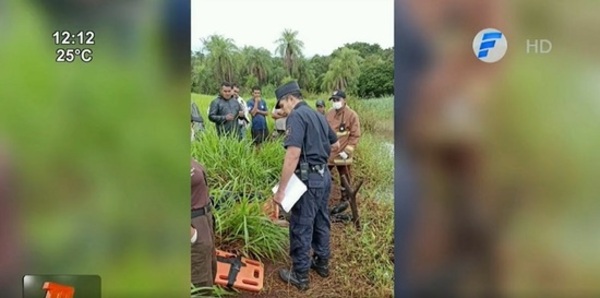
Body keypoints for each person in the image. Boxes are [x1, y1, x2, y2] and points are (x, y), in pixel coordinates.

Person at [271, 81, 340, 291]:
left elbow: (293, 154)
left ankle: (300, 274)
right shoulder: (318, 116)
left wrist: (282, 190)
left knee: (301, 223)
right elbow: (335, 145)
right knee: (321, 219)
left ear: (290, 98)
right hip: (324, 176)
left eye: (282, 105)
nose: (282, 110)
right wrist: (319, 162)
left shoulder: (297, 116)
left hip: (308, 180)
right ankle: (321, 263)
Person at [325, 90, 361, 215]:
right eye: (333, 100)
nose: (335, 102)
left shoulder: (352, 115)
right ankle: (322, 199)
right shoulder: (329, 114)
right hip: (329, 152)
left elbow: (355, 135)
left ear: (344, 100)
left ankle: (345, 200)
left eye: (337, 100)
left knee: (344, 177)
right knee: (323, 174)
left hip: (343, 153)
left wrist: (347, 151)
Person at [191, 123, 217, 291]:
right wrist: (192, 234)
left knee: (208, 270)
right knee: (198, 279)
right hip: (192, 224)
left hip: (203, 219)